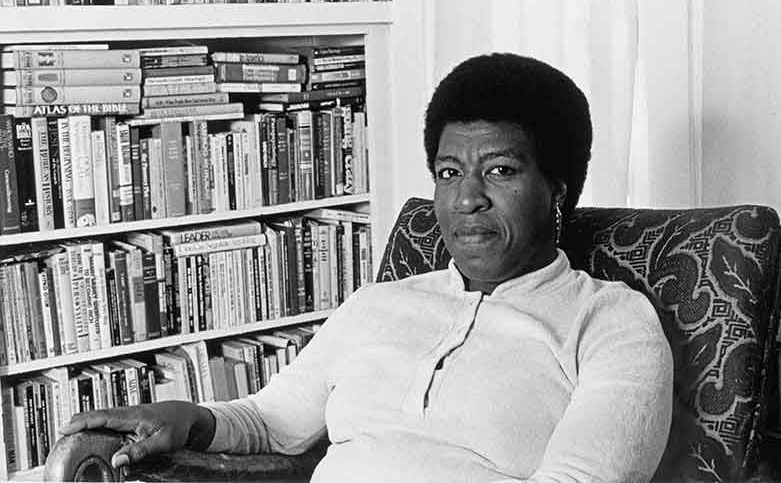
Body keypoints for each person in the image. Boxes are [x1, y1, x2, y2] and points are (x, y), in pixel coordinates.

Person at [60, 53, 674, 483]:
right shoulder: (379, 304)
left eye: (502, 170)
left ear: (558, 189)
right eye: (449, 172)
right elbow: (272, 423)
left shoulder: (611, 321)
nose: (467, 199)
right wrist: (190, 420)